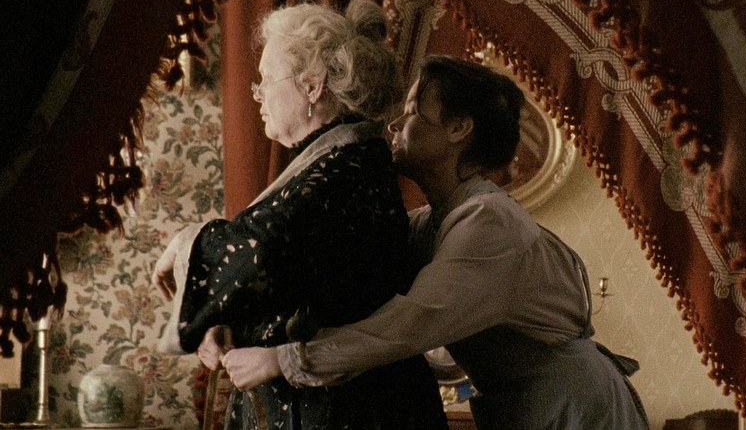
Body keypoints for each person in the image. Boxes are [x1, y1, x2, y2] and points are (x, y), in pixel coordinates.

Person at [208, 55, 650, 429]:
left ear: (458, 128)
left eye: (415, 111)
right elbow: (341, 275)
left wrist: (283, 360)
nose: (398, 123)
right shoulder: (432, 224)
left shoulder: (489, 222)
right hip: (527, 407)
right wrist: (235, 315)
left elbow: (407, 325)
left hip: (576, 408)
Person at [152, 0, 448, 429]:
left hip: (355, 414)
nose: (258, 94)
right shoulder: (330, 162)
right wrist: (230, 322)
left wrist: (184, 241)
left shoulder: (347, 167)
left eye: (266, 79)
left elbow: (263, 249)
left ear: (312, 86)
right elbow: (292, 277)